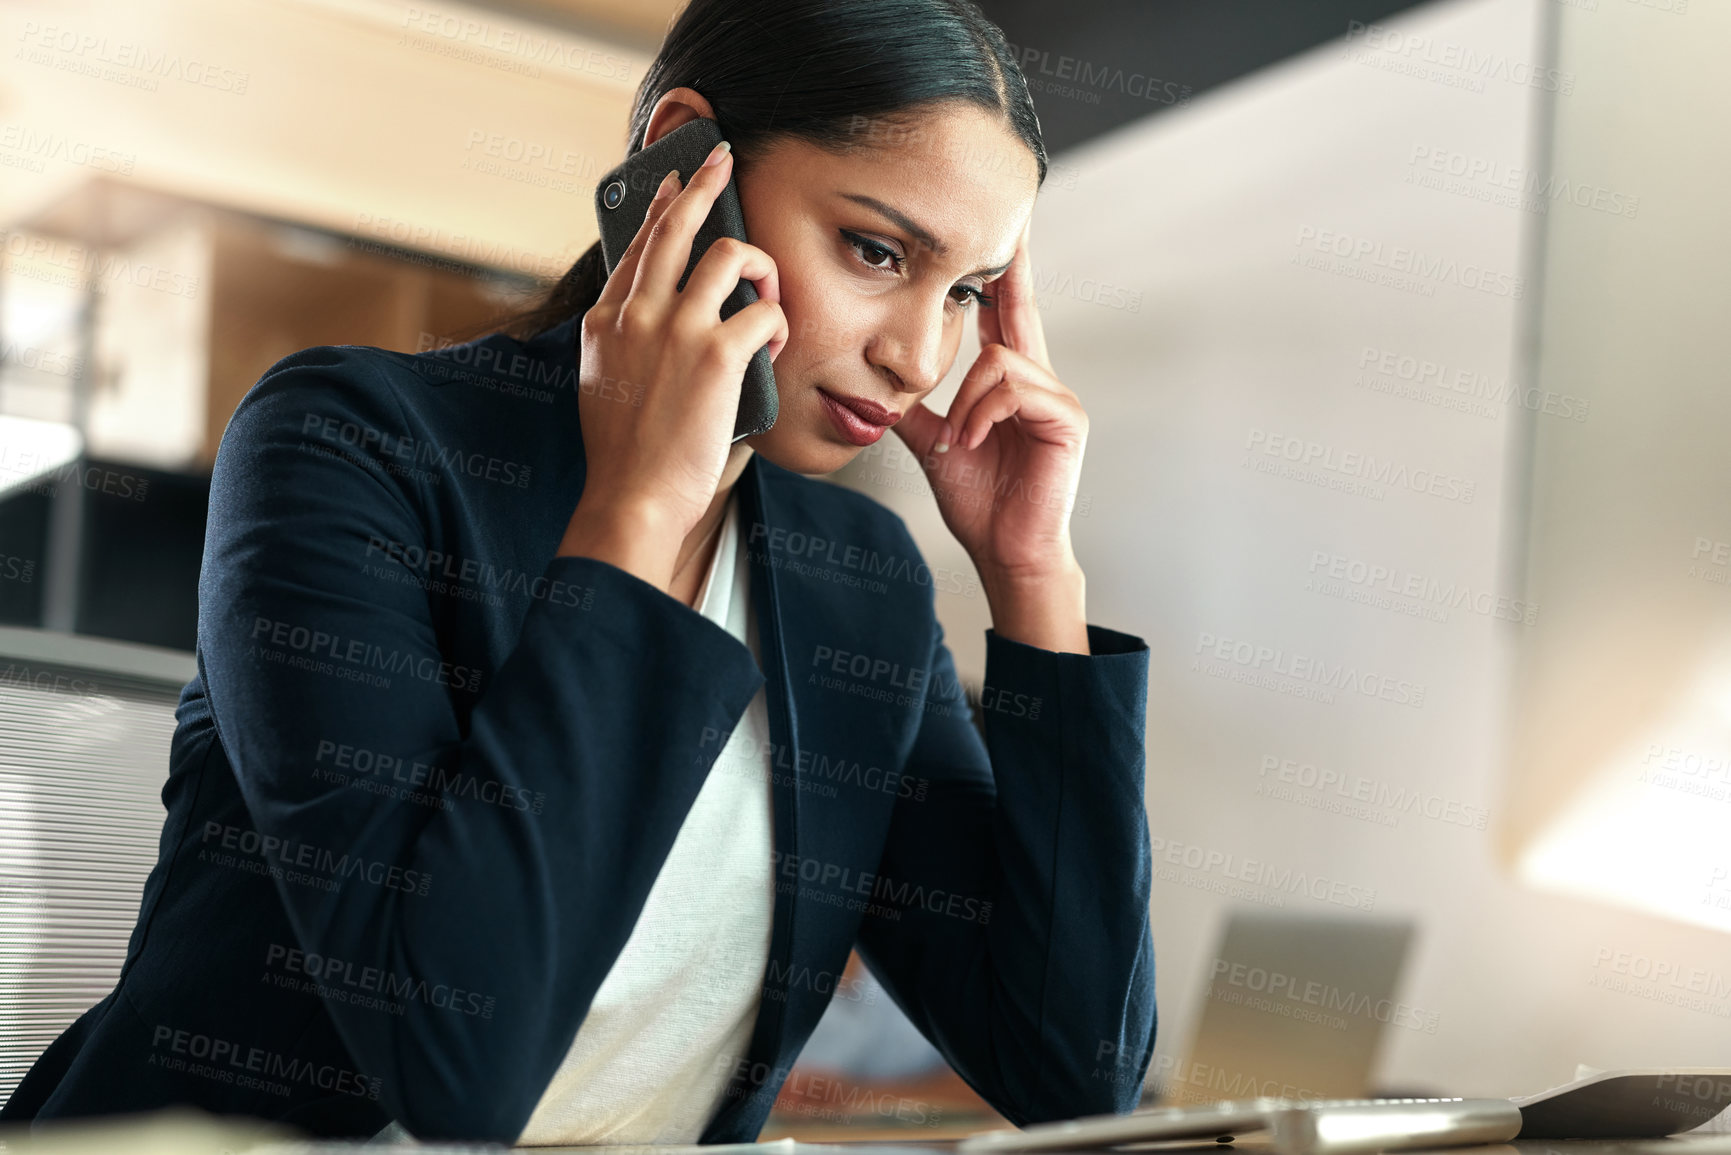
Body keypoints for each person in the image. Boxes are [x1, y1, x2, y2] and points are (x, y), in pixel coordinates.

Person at [0, 0, 1157, 1143]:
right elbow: (457, 1068)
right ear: (679, 161)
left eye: (963, 291)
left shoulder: (858, 578)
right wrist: (641, 507)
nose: (919, 352)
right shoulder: (347, 443)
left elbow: (1071, 1074)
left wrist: (1033, 578)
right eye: (875, 250)